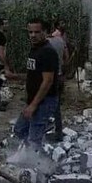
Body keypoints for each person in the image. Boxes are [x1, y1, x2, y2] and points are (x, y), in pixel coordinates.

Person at [13, 18, 59, 149]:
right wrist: (16, 76)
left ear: (45, 32)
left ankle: (37, 165)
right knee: (20, 129)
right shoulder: (35, 49)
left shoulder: (47, 52)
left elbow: (48, 81)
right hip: (34, 100)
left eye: (37, 32)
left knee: (34, 138)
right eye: (30, 32)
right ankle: (31, 155)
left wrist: (33, 105)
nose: (33, 35)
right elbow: (34, 75)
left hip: (44, 101)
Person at [48, 26, 68, 142]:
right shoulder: (62, 42)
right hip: (59, 76)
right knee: (56, 106)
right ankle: (58, 132)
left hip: (47, 77)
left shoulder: (47, 43)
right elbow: (67, 58)